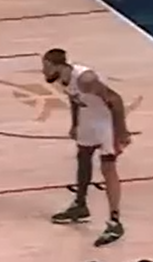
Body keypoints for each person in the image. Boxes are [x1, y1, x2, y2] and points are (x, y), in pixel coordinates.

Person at [43, 47, 130, 246]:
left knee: (108, 167)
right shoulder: (63, 79)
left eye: (46, 67)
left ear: (58, 65)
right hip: (88, 118)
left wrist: (122, 132)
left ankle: (115, 222)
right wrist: (75, 124)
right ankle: (80, 205)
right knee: (83, 157)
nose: (43, 71)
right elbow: (73, 99)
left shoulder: (85, 79)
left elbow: (115, 99)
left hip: (106, 122)